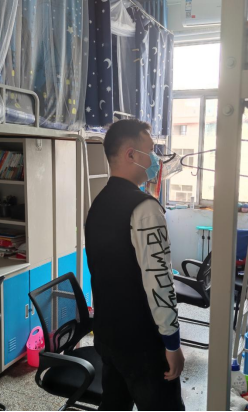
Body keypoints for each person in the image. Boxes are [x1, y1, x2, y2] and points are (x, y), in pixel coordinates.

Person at [85, 119, 186, 411]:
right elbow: (160, 283)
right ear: (131, 154)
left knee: (114, 405)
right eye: (151, 150)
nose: (155, 158)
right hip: (142, 342)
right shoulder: (145, 208)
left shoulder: (98, 203)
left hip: (108, 334)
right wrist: (172, 343)